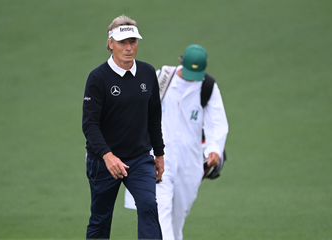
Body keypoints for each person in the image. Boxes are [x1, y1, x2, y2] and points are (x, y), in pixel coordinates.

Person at [125, 44, 229, 240]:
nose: (192, 78)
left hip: (190, 162)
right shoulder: (161, 79)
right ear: (181, 62)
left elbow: (218, 122)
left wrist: (215, 149)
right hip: (158, 158)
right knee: (160, 215)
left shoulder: (207, 86)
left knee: (176, 220)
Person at [82, 15, 165, 239]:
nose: (128, 48)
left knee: (149, 207)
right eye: (122, 42)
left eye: (133, 42)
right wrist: (108, 156)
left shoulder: (148, 73)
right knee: (100, 219)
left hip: (139, 159)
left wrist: (159, 154)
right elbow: (89, 124)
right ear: (110, 44)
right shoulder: (98, 78)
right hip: (103, 161)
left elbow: (154, 116)